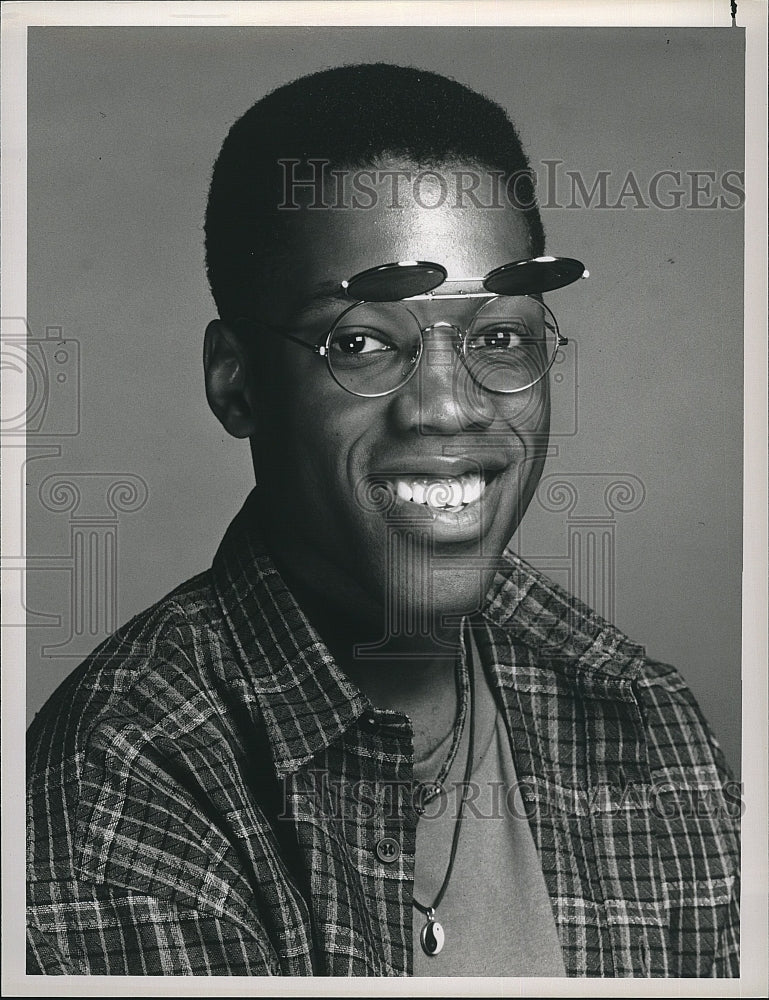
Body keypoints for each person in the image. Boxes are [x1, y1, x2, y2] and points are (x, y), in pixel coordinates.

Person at [26, 62, 740, 977]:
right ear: (236, 380)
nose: (448, 407)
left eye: (498, 335)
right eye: (361, 341)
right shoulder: (120, 795)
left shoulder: (636, 713)